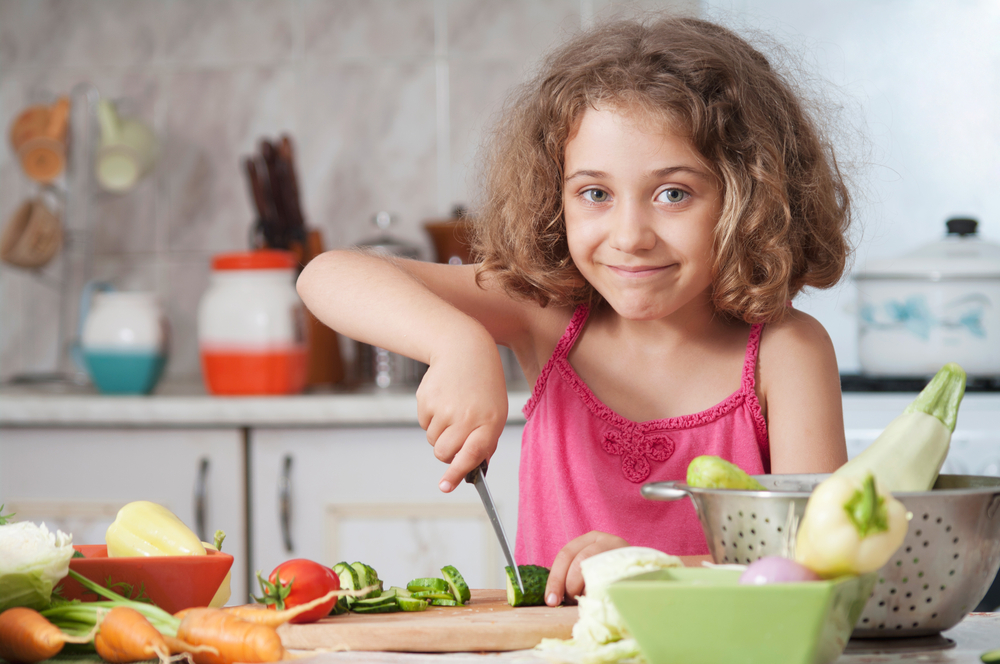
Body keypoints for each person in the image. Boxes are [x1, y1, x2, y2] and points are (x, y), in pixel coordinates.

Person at [297, 14, 852, 607]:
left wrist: (647, 571)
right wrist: (457, 344)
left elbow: (820, 566)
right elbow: (326, 275)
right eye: (595, 194)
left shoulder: (787, 353)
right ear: (554, 198)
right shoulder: (547, 315)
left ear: (748, 197)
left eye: (673, 194)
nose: (630, 236)